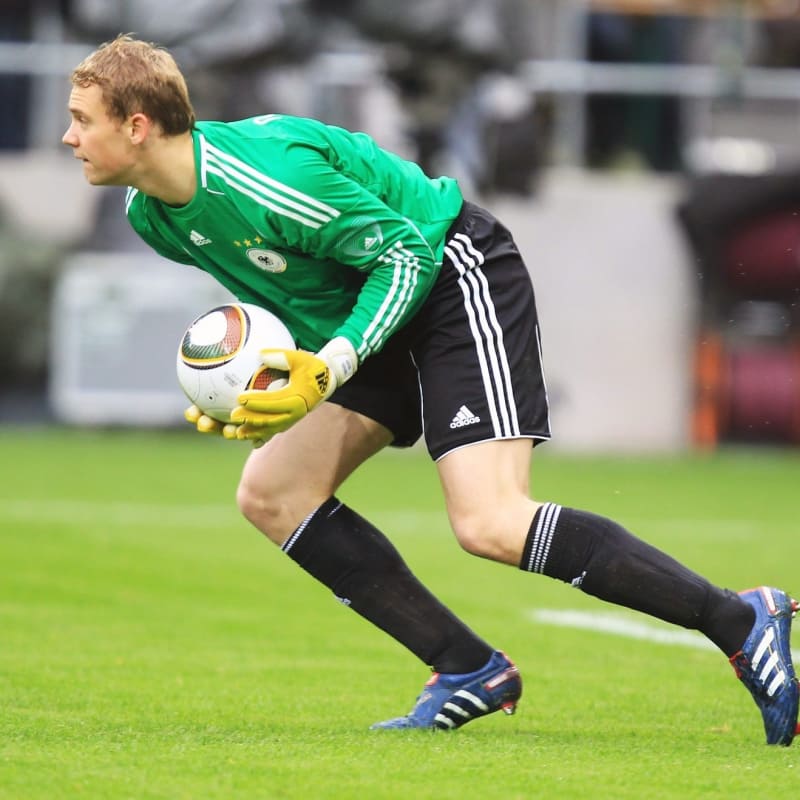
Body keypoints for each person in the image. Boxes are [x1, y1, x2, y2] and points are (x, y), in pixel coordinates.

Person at [63, 34, 798, 744]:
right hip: (374, 308)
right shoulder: (153, 215)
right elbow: (301, 288)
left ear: (136, 126)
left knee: (491, 523)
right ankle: (467, 668)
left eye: (80, 121)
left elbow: (405, 254)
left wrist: (334, 365)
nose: (70, 138)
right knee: (272, 493)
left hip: (450, 271)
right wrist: (273, 387)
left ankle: (741, 619)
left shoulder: (266, 178)